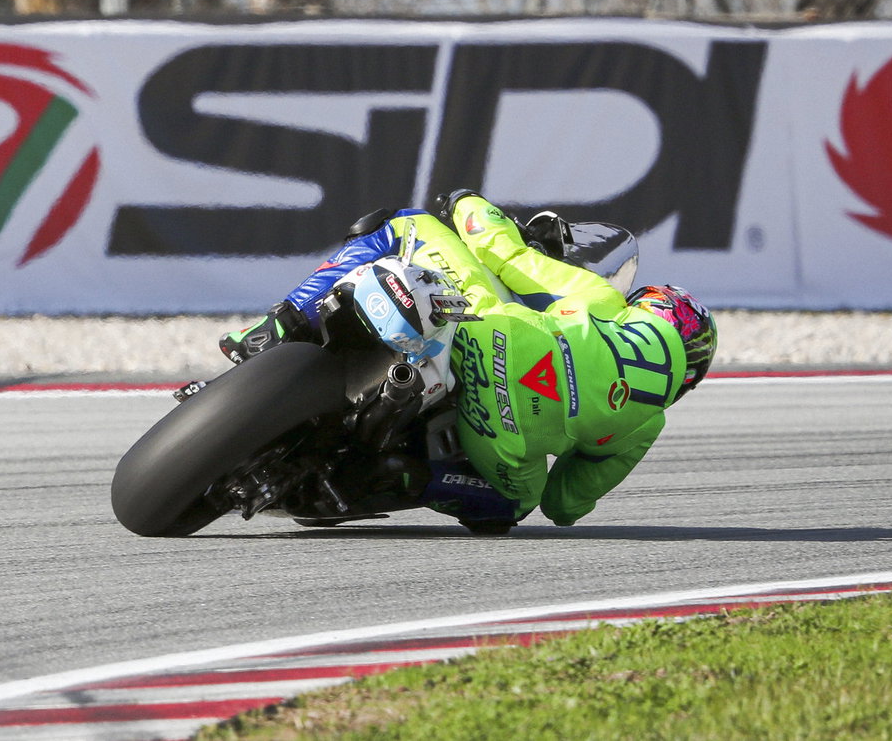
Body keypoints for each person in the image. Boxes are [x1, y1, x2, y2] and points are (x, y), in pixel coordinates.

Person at [219, 190, 717, 534]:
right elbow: (564, 506)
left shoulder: (602, 299)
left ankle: (276, 325)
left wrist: (465, 202)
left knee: (405, 224)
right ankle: (390, 475)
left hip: (486, 341)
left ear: (654, 309)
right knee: (514, 505)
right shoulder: (647, 425)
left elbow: (505, 253)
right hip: (499, 437)